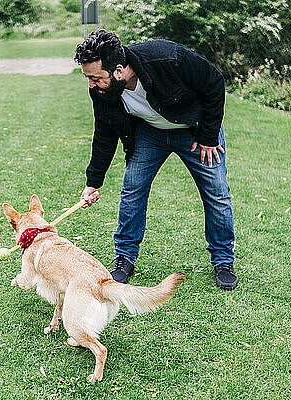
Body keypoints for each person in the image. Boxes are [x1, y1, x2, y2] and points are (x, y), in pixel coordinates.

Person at [74, 30, 237, 291]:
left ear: (118, 71)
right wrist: (94, 182)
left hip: (194, 131)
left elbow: (214, 82)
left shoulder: (166, 57)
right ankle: (125, 258)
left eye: (95, 78)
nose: (91, 85)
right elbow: (104, 133)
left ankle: (223, 260)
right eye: (88, 78)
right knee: (132, 189)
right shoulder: (102, 92)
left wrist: (208, 136)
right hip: (151, 133)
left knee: (216, 193)